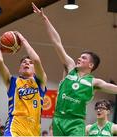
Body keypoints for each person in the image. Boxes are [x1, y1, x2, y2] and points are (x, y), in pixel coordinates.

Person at [32, 3, 117, 136]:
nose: (79, 59)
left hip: (76, 122)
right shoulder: (70, 67)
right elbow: (57, 43)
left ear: (91, 65)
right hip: (58, 119)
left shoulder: (95, 83)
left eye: (83, 58)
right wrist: (45, 19)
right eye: (80, 57)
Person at [0, 31, 47, 136]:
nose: (27, 63)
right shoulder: (12, 82)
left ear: (35, 69)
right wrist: (0, 45)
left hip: (33, 131)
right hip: (14, 128)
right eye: (24, 62)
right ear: (19, 68)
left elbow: (36, 60)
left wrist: (22, 40)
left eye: (30, 62)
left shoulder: (40, 81)